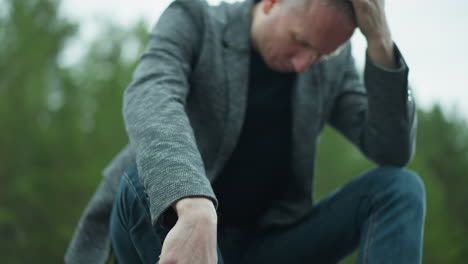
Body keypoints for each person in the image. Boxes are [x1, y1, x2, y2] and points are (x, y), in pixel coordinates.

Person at [65, 0, 426, 263]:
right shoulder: (194, 21)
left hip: (272, 243)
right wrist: (193, 201)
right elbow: (151, 94)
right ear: (270, 3)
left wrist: (380, 42)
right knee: (142, 182)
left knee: (400, 187)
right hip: (174, 225)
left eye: (319, 55)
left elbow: (390, 150)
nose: (304, 64)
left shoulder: (331, 66)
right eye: (299, 41)